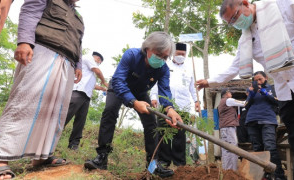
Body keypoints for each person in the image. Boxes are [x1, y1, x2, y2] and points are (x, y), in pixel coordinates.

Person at [196, 0, 294, 179]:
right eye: (231, 22)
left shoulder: (285, 5)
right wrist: (209, 81)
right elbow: (235, 67)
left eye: (235, 16)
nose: (236, 23)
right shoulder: (247, 38)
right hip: (287, 92)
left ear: (245, 3)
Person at [0, 0, 84, 179]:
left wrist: (78, 64)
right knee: (24, 103)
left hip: (67, 62)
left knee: (54, 113)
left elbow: (79, 42)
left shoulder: (79, 17)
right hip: (43, 51)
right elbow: (29, 11)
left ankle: (42, 157)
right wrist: (25, 42)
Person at [84, 31, 182, 178]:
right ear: (148, 48)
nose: (161, 59)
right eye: (158, 54)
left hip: (141, 92)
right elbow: (118, 80)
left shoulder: (163, 69)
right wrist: (133, 102)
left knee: (151, 124)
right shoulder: (131, 55)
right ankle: (102, 157)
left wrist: (170, 109)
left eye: (165, 57)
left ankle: (153, 165)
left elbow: (164, 90)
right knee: (110, 111)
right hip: (118, 87)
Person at [150, 42, 200, 167]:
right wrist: (153, 96)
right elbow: (157, 83)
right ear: (173, 53)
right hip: (165, 104)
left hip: (183, 106)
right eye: (178, 54)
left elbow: (193, 88)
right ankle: (164, 161)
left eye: (183, 54)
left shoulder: (189, 70)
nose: (181, 56)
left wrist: (196, 101)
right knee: (163, 132)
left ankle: (179, 163)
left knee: (180, 135)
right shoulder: (163, 65)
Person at [64, 51, 108, 150]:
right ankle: (51, 138)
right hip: (78, 92)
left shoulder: (90, 72)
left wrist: (103, 88)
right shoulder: (89, 58)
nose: (99, 63)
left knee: (80, 121)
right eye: (99, 62)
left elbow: (92, 85)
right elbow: (98, 71)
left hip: (86, 96)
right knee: (66, 115)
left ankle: (74, 144)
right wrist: (104, 82)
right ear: (97, 59)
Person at [245, 71, 284, 179]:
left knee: (270, 147)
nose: (258, 82)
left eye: (260, 79)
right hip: (252, 120)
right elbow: (246, 105)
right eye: (255, 80)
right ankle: (264, 176)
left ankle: (278, 176)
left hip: (267, 120)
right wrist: (251, 94)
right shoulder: (251, 90)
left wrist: (264, 92)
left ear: (266, 78)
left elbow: (277, 101)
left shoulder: (272, 88)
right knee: (258, 149)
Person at [217, 88, 245, 171]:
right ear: (226, 93)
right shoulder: (228, 100)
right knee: (232, 148)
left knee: (226, 149)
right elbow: (243, 103)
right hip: (229, 128)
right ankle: (232, 171)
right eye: (230, 93)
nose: (231, 94)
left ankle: (226, 170)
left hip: (224, 128)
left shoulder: (221, 102)